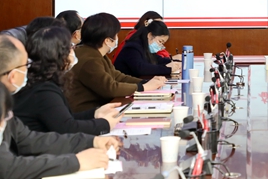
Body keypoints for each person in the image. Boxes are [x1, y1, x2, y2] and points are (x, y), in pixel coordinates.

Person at [0, 36, 119, 179]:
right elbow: (8, 168)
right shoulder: (40, 91)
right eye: (26, 64)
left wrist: (91, 141)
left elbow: (31, 140)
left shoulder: (5, 101)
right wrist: (76, 162)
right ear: (13, 76)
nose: (29, 69)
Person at [13, 26, 122, 135]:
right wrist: (105, 124)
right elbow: (67, 128)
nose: (73, 50)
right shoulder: (43, 90)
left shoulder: (41, 81)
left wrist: (95, 113)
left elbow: (63, 118)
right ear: (59, 55)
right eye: (71, 47)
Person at [67, 13, 167, 113]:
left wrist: (144, 82)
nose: (117, 38)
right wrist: (143, 87)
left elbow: (117, 76)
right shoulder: (90, 60)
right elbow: (110, 88)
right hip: (88, 113)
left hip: (100, 108)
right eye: (116, 35)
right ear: (107, 40)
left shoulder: (95, 53)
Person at [114, 20, 180, 77]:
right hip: (124, 85)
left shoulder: (145, 47)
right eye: (160, 41)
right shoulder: (132, 48)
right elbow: (141, 69)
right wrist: (168, 69)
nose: (160, 46)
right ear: (150, 35)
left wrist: (176, 63)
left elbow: (157, 60)